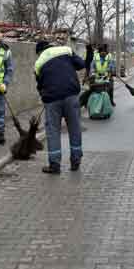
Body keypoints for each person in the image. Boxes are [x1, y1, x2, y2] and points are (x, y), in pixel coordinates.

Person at [34, 40, 86, 174]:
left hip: (52, 100)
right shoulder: (65, 50)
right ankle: (75, 160)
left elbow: (40, 86)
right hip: (71, 95)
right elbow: (81, 64)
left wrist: (44, 97)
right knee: (74, 128)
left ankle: (55, 165)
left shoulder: (38, 63)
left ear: (39, 52)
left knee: (53, 131)